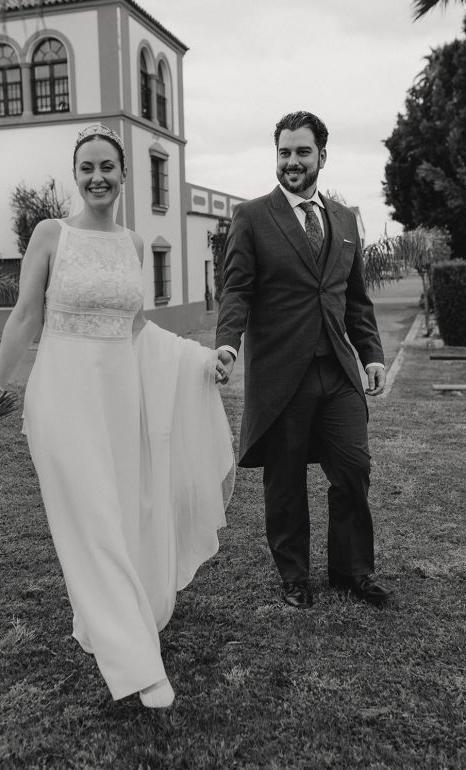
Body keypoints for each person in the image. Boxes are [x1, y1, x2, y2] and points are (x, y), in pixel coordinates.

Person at [0, 123, 234, 708]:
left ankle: (100, 622)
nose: (97, 177)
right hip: (62, 395)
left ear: (123, 174)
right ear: (75, 174)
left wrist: (198, 359)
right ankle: (138, 664)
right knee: (89, 518)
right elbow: (22, 321)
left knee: (118, 515)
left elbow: (136, 328)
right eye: (86, 167)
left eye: (107, 167)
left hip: (119, 398)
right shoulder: (50, 234)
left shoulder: (136, 245)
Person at [215, 111, 393, 609]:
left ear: (322, 156)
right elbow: (237, 290)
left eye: (302, 152)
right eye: (284, 152)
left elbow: (354, 299)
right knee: (286, 479)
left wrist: (372, 356)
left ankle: (352, 572)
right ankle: (294, 575)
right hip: (281, 374)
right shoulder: (252, 216)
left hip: (337, 369)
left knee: (354, 467)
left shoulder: (343, 219)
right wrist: (227, 342)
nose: (292, 161)